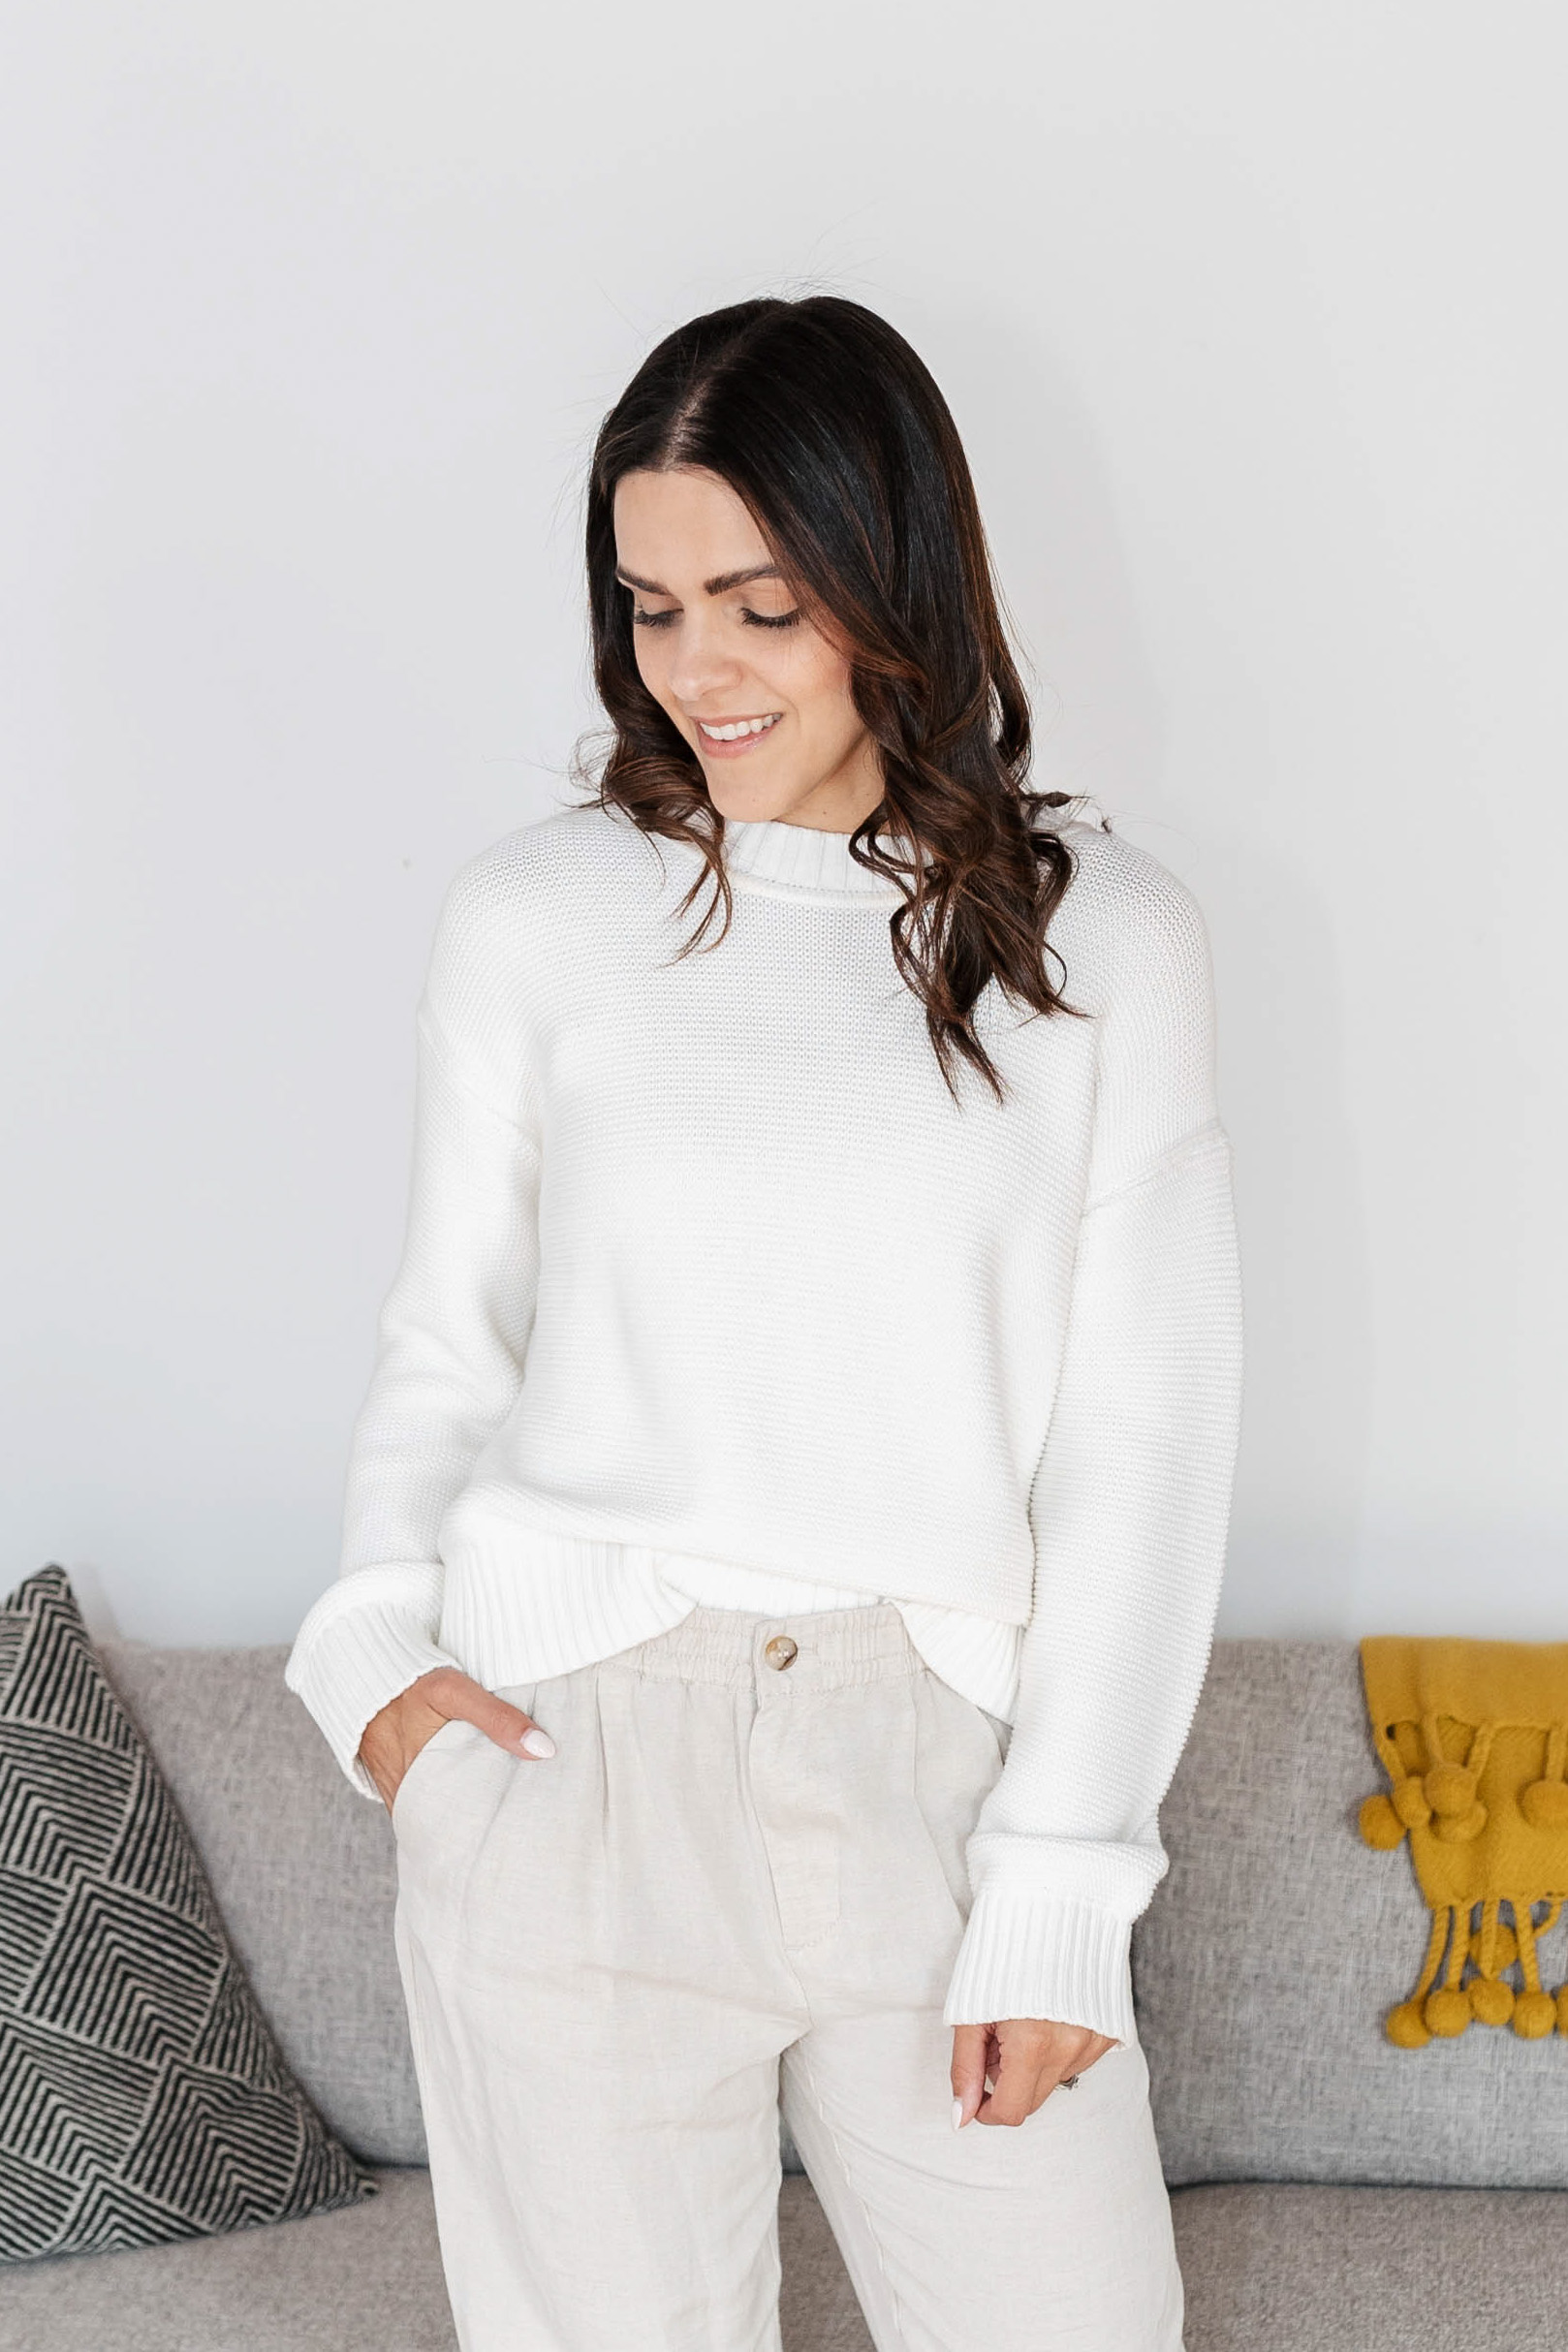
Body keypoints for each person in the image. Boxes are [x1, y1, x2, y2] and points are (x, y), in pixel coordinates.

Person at [285, 294, 1243, 2352]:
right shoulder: (537, 919)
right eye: (650, 610)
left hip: (927, 1767)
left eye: (760, 607)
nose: (695, 672)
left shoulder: (1103, 943)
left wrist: (1062, 1871)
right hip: (570, 1761)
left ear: (893, 586)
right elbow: (447, 1335)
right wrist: (373, 1652)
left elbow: (1142, 1436)